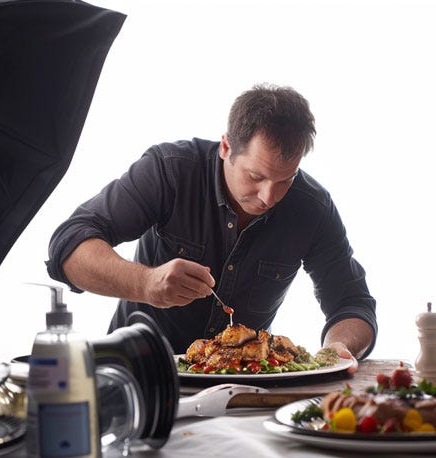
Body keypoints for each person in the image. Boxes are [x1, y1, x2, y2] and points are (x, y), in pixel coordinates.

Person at [46, 83, 377, 373]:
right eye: (256, 177)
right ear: (226, 147)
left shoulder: (313, 207)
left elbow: (353, 303)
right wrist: (146, 283)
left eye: (285, 181)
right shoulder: (170, 170)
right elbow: (68, 246)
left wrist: (336, 350)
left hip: (242, 391)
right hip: (135, 374)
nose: (268, 197)